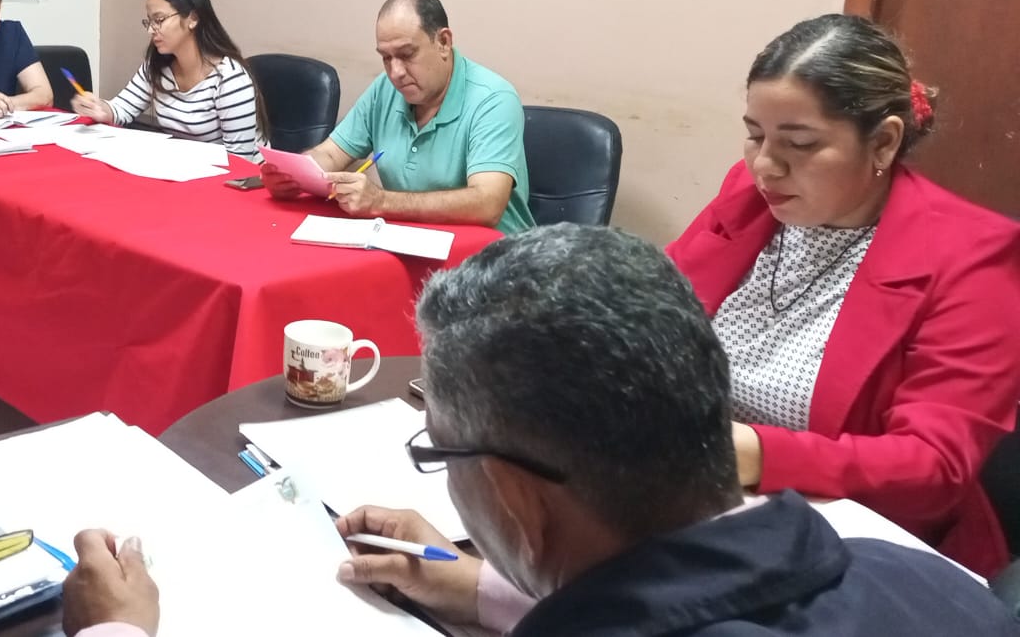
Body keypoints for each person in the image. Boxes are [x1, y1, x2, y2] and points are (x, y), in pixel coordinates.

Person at [60, 225, 1020, 636]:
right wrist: (489, 585)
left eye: (438, 451)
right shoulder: (931, 584)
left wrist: (113, 630)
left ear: (516, 496)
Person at [666, 13, 1020, 575]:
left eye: (799, 144)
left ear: (883, 142)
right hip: (705, 504)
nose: (765, 166)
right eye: (755, 135)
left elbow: (933, 467)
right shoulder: (750, 198)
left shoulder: (971, 256)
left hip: (864, 546)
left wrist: (753, 454)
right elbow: (656, 315)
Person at [258, 0, 533, 231]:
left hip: (493, 259)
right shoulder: (386, 89)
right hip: (411, 242)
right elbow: (331, 153)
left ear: (443, 43)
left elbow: (487, 203)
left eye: (407, 54)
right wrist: (294, 175)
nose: (396, 72)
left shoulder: (493, 99)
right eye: (386, 58)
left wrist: (381, 201)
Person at [71, 0, 266, 160]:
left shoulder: (229, 79)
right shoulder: (157, 66)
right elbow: (122, 108)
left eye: (159, 20)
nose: (151, 30)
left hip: (241, 177)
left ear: (193, 18)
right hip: (187, 168)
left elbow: (241, 162)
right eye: (149, 21)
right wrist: (99, 108)